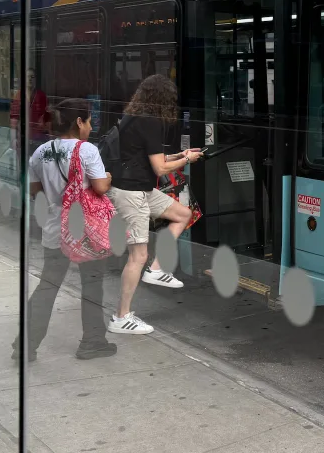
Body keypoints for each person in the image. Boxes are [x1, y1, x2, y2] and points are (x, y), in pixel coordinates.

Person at [19, 99, 116, 361]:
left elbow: (34, 191)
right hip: (86, 232)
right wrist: (107, 177)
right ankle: (92, 341)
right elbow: (100, 188)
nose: (91, 126)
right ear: (79, 122)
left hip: (54, 230)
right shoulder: (87, 150)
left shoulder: (40, 152)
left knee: (48, 286)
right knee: (92, 285)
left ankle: (26, 344)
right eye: (89, 121)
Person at [108, 74, 202, 335]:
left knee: (184, 214)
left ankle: (157, 270)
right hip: (132, 192)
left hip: (139, 187)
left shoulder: (132, 117)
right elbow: (160, 168)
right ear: (164, 98)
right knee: (138, 256)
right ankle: (121, 317)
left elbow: (150, 157)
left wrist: (180, 154)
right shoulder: (150, 121)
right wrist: (187, 161)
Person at [11, 69, 50, 152]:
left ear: (35, 79)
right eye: (28, 77)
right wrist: (13, 138)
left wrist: (49, 138)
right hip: (22, 137)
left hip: (38, 139)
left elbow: (47, 118)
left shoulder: (41, 96)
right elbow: (14, 119)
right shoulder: (18, 95)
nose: (30, 79)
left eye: (32, 77)